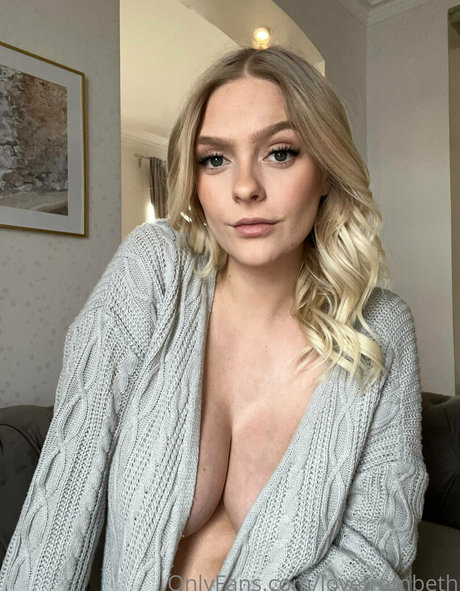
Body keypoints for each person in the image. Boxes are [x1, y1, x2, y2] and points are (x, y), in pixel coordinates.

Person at [0, 46, 428, 591]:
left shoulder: (380, 328)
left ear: (326, 171)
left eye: (280, 152)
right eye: (215, 159)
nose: (245, 187)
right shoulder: (153, 271)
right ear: (195, 179)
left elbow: (374, 559)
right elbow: (62, 501)